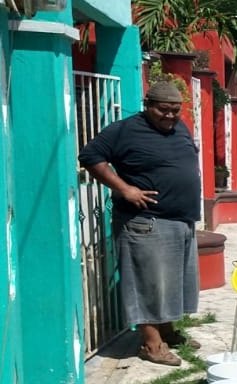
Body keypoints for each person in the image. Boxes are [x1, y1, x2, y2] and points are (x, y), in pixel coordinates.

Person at [79, 81, 202, 367]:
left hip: (180, 219)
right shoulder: (125, 130)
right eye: (163, 110)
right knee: (149, 283)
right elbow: (90, 156)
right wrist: (124, 189)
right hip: (146, 221)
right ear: (147, 105)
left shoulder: (178, 127)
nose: (170, 116)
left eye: (175, 110)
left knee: (172, 282)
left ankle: (168, 332)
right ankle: (151, 344)